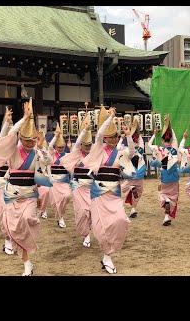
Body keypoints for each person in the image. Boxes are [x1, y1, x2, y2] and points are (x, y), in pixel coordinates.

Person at [0, 98, 52, 276]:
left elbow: (49, 161)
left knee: (27, 219)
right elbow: (7, 136)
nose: (30, 144)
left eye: (33, 140)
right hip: (11, 195)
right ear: (20, 138)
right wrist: (23, 119)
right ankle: (27, 264)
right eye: (27, 140)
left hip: (30, 195)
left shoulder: (38, 152)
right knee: (13, 228)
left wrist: (42, 147)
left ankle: (28, 251)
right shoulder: (13, 150)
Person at [80, 105, 135, 274]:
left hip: (115, 193)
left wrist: (128, 137)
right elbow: (99, 135)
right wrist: (110, 118)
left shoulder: (120, 152)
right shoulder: (98, 150)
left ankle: (108, 254)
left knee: (120, 221)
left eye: (115, 136)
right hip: (98, 193)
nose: (112, 139)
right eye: (109, 136)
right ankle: (107, 255)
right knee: (101, 226)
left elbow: (131, 153)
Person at [61, 113, 94, 248]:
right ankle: (86, 235)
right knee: (81, 211)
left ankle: (89, 228)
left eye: (89, 145)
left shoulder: (94, 154)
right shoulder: (76, 154)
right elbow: (77, 143)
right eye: (84, 145)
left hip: (91, 187)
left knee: (92, 211)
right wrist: (85, 130)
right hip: (78, 186)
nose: (87, 147)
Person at [0, 107, 18, 255]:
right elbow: (2, 139)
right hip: (0, 185)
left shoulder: (17, 151)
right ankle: (7, 240)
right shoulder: (0, 151)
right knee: (2, 214)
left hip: (15, 187)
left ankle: (14, 239)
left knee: (14, 215)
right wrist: (6, 122)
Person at [148, 114, 180, 226]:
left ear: (162, 139)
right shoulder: (175, 148)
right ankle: (168, 214)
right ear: (170, 138)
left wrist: (154, 134)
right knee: (174, 194)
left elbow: (149, 144)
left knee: (163, 193)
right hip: (174, 173)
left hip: (164, 174)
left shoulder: (159, 149)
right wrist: (169, 126)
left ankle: (166, 212)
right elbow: (175, 139)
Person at [120, 116, 147, 219]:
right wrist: (136, 129)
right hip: (140, 170)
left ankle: (131, 189)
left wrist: (127, 135)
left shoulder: (126, 148)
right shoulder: (141, 148)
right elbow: (140, 139)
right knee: (139, 192)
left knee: (124, 188)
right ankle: (133, 209)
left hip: (131, 171)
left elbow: (119, 148)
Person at [49, 124, 72, 228]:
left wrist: (70, 149)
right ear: (55, 147)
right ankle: (60, 218)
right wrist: (56, 136)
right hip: (53, 181)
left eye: (62, 147)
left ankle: (60, 214)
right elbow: (49, 146)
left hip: (64, 181)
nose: (61, 148)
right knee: (56, 201)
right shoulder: (52, 154)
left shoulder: (67, 155)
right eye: (59, 147)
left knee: (67, 196)